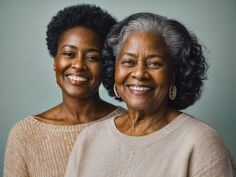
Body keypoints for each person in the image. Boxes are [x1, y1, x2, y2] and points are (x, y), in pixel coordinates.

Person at [65, 12, 236, 177]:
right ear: (114, 69)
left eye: (154, 63)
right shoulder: (90, 138)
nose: (139, 74)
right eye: (128, 62)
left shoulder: (201, 143)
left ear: (174, 73)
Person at [3, 4, 126, 177]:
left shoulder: (128, 126)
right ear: (55, 61)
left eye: (92, 57)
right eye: (69, 54)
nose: (78, 65)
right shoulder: (25, 134)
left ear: (105, 64)